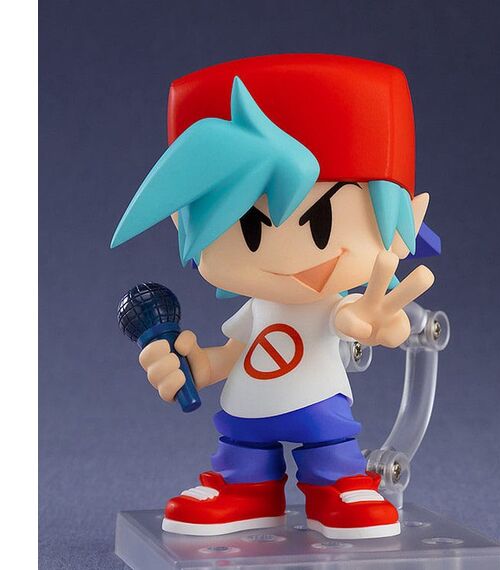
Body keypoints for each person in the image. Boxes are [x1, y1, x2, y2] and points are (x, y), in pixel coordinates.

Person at [111, 54, 435, 539]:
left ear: (406, 215)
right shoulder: (257, 309)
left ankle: (340, 487)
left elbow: (365, 318)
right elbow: (235, 353)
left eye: (322, 224)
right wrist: (195, 365)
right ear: (181, 221)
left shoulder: (335, 306)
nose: (291, 259)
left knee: (330, 450)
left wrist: (381, 321)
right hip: (247, 410)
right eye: (251, 229)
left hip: (318, 405)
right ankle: (246, 492)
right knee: (242, 450)